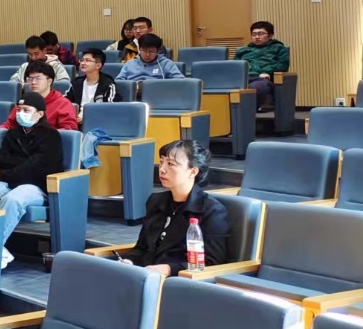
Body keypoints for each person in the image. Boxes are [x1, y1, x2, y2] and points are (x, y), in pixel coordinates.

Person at [114, 140, 229, 276]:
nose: (162, 169)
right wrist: (130, 261)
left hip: (180, 281)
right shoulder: (156, 201)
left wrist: (169, 269)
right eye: (161, 162)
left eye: (171, 164)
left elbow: (213, 262)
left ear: (193, 171)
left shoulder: (212, 211)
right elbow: (142, 248)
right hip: (146, 275)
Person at [0, 92, 63, 269]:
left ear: (40, 114)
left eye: (26, 110)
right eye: (19, 110)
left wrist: (14, 168)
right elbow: (3, 159)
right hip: (11, 181)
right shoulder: (12, 134)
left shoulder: (51, 135)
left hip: (38, 186)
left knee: (13, 199)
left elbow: (39, 166)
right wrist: (19, 167)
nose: (21, 114)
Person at [1, 62, 78, 131]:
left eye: (38, 78)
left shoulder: (63, 103)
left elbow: (69, 130)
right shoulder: (24, 101)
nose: (33, 82)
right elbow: (10, 124)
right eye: (30, 79)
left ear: (49, 81)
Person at [234, 20, 289, 112]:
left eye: (261, 34)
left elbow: (282, 65)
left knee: (256, 87)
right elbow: (234, 66)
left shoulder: (279, 48)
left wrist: (267, 71)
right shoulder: (242, 50)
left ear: (270, 35)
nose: (257, 37)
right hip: (243, 78)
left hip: (262, 78)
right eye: (254, 34)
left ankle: (245, 113)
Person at [66, 48, 118, 117]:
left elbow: (110, 108)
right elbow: (65, 101)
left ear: (98, 65)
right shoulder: (76, 83)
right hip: (75, 118)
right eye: (82, 60)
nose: (82, 63)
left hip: (97, 119)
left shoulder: (108, 84)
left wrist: (87, 117)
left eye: (87, 60)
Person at [117, 35, 184, 81]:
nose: (147, 54)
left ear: (157, 50)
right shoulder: (130, 64)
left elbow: (179, 80)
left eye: (151, 51)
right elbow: (119, 80)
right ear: (139, 49)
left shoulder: (166, 63)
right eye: (144, 50)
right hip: (133, 94)